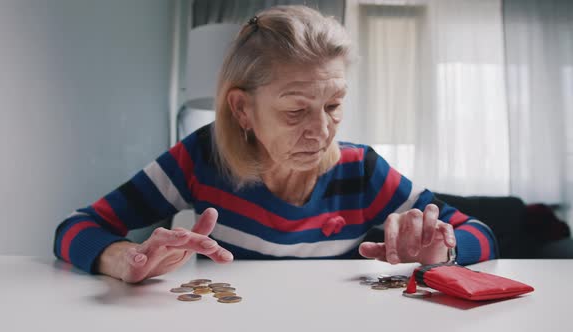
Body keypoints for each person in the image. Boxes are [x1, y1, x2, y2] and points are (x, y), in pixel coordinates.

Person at [53, 5, 498, 283]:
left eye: (334, 104)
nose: (322, 130)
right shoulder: (200, 157)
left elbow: (484, 234)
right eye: (294, 111)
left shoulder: (361, 169)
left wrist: (447, 250)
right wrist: (127, 259)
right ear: (243, 110)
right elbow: (76, 227)